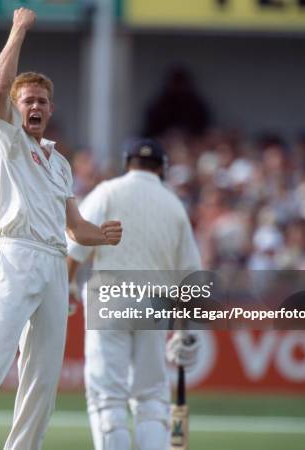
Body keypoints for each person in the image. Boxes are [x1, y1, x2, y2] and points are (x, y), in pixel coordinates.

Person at [0, 8, 122, 450]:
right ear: (16, 110)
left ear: (51, 110)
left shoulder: (59, 162)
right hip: (15, 255)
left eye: (41, 101)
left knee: (42, 379)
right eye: (27, 100)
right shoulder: (3, 139)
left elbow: (76, 228)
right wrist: (18, 29)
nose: (34, 106)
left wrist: (104, 234)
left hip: (54, 263)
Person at [67, 139, 201, 450]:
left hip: (110, 297)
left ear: (128, 162)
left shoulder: (107, 191)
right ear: (161, 168)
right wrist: (184, 331)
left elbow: (75, 247)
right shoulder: (174, 204)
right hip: (155, 302)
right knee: (151, 397)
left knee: (107, 397)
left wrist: (67, 286)